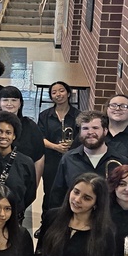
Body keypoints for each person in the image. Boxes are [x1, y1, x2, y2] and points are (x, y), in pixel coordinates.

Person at [46, 111, 128, 210]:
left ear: (105, 131)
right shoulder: (68, 159)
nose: (90, 132)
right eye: (85, 128)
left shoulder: (121, 162)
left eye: (95, 128)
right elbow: (57, 195)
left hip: (110, 221)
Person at [0, 86, 45, 183]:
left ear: (20, 103)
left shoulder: (30, 126)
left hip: (20, 183)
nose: (9, 104)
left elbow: (39, 158)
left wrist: (34, 187)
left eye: (14, 100)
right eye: (5, 100)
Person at [37, 81, 80, 210]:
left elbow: (83, 137)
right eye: (54, 92)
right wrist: (56, 147)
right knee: (50, 192)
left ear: (68, 93)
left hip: (73, 159)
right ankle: (46, 223)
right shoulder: (45, 115)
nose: (58, 94)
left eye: (61, 91)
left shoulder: (78, 115)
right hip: (51, 160)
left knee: (70, 191)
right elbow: (40, 138)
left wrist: (73, 144)